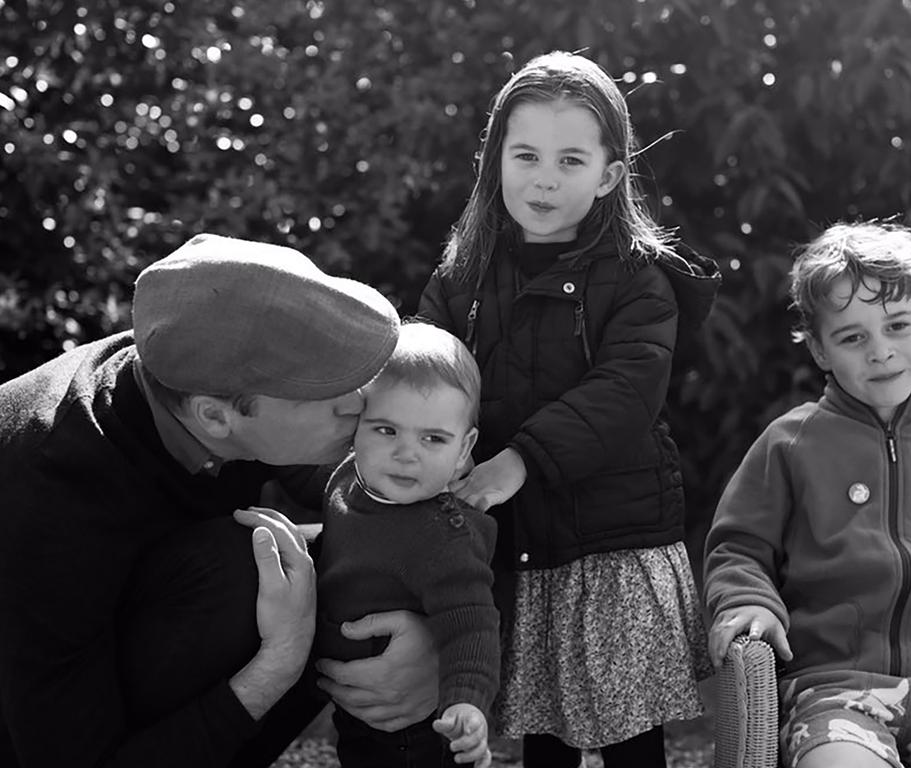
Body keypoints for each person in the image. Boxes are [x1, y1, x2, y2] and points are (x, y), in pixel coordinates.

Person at [0, 233, 441, 768]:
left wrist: (432, 636)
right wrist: (281, 660)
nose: (360, 402)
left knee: (352, 561)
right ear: (216, 417)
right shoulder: (51, 497)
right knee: (255, 568)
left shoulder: (201, 361)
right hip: (39, 724)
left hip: (118, 639)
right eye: (327, 391)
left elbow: (405, 521)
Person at [417, 51, 720, 767]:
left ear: (609, 175)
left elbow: (624, 392)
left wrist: (519, 459)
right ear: (495, 162)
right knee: (541, 726)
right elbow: (423, 374)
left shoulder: (639, 279)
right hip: (519, 541)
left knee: (627, 734)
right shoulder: (462, 276)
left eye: (570, 159)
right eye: (524, 154)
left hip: (612, 544)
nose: (544, 178)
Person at [703, 221, 911, 768]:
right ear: (821, 351)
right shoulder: (790, 443)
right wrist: (748, 601)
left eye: (897, 325)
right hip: (832, 691)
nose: (881, 352)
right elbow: (738, 549)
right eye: (853, 337)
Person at [315, 321, 499, 768]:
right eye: (386, 430)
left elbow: (471, 624)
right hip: (358, 708)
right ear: (357, 423)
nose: (406, 453)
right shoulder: (347, 481)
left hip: (419, 729)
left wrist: (466, 703)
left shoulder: (443, 537)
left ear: (464, 448)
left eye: (432, 439)